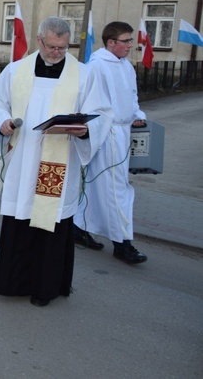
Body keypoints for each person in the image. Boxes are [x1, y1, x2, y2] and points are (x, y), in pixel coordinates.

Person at [0, 16, 111, 307]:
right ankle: (11, 282)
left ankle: (46, 287)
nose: (57, 52)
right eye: (52, 46)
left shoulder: (84, 74)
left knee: (50, 221)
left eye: (63, 47)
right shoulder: (16, 70)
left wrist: (85, 131)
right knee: (20, 218)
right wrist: (3, 121)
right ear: (39, 41)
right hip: (23, 157)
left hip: (60, 160)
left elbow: (102, 113)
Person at [74, 21, 148, 264]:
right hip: (106, 134)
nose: (131, 45)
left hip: (123, 132)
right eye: (126, 41)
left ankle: (78, 226)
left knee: (100, 186)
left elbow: (132, 96)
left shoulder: (126, 66)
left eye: (130, 41)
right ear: (111, 43)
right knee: (115, 189)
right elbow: (90, 102)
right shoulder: (96, 66)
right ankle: (122, 242)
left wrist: (136, 115)